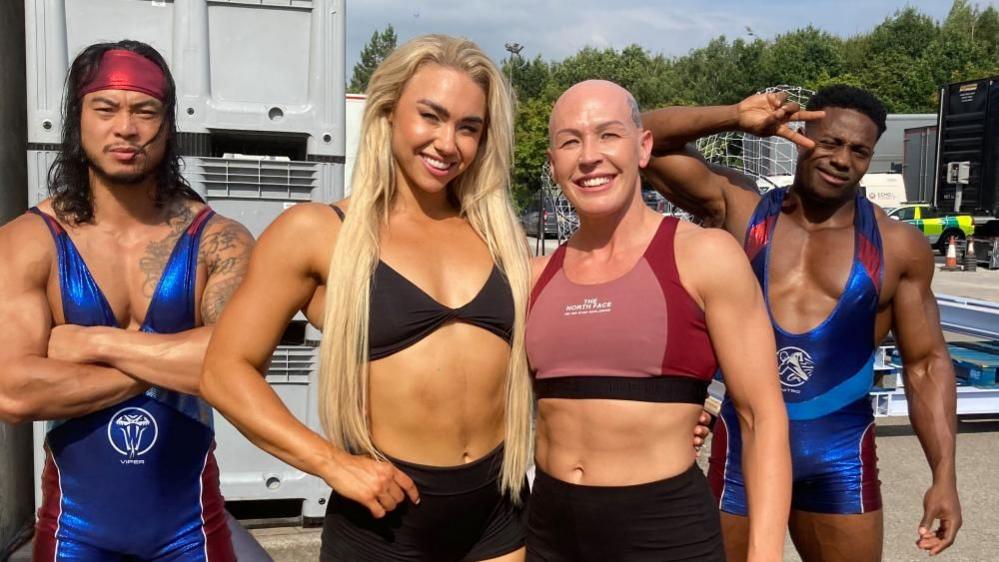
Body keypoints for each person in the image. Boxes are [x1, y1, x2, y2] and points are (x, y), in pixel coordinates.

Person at [200, 35, 533, 562]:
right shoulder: (319, 231)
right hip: (384, 526)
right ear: (388, 110)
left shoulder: (499, 237)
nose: (448, 143)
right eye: (431, 116)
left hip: (499, 514)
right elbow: (224, 370)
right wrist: (332, 463)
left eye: (468, 127)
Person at [642, 85, 962, 561]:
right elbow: (640, 140)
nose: (841, 159)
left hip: (839, 459)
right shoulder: (742, 210)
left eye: (859, 151)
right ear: (798, 136)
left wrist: (944, 476)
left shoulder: (897, 246)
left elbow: (926, 365)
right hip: (741, 453)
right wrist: (735, 115)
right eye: (829, 142)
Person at [0, 41, 267, 561]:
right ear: (76, 120)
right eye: (105, 108)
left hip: (193, 533)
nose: (126, 128)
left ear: (168, 125)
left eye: (145, 110)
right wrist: (180, 359)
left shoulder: (220, 241)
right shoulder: (26, 242)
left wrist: (90, 342)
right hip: (74, 536)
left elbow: (243, 361)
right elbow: (13, 392)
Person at [523, 80, 790, 562]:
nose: (588, 156)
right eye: (569, 141)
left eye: (608, 135)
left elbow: (762, 417)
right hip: (549, 533)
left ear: (643, 146)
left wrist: (765, 553)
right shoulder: (532, 276)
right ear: (554, 161)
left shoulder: (704, 256)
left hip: (665, 535)